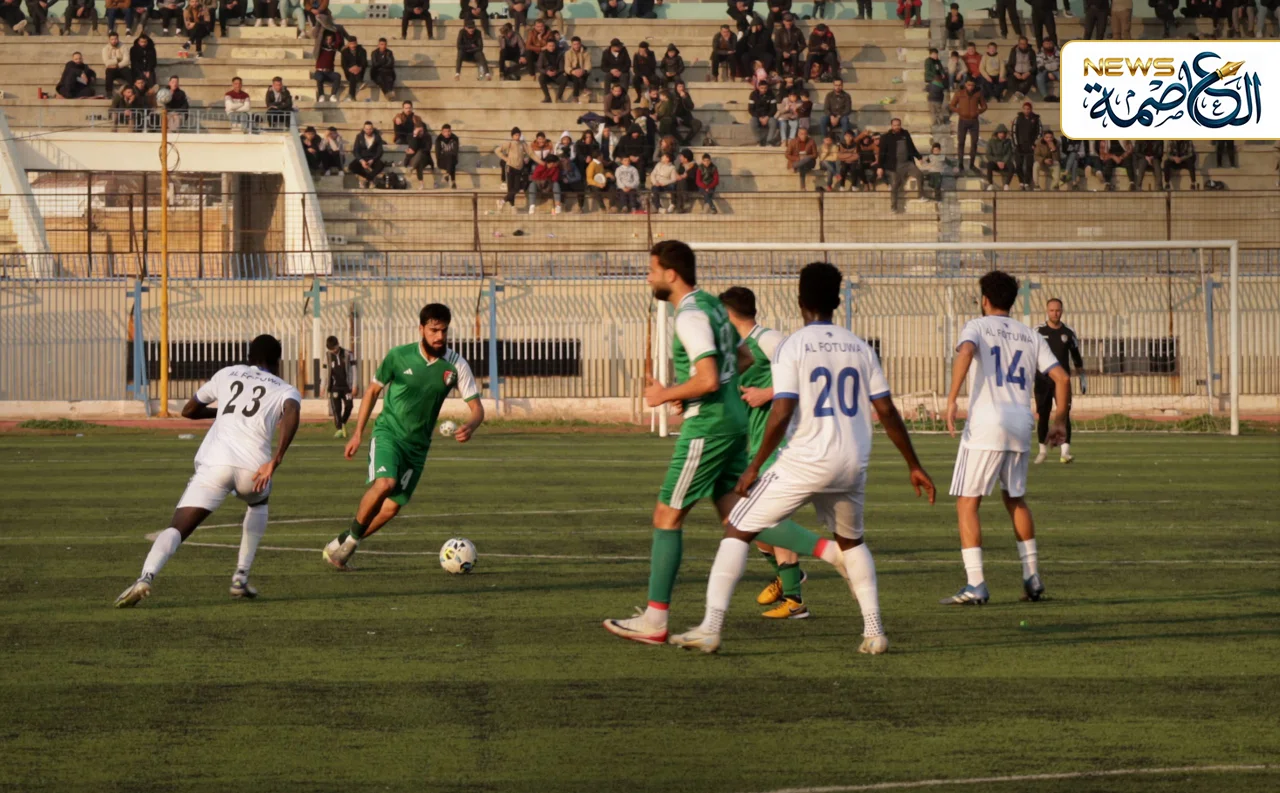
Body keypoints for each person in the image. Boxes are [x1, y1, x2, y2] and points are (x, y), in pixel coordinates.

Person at [667, 262, 936, 654]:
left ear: (799, 300)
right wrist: (913, 464)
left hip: (806, 460)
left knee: (738, 528)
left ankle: (710, 627)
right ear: (837, 301)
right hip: (852, 461)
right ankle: (874, 631)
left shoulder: (793, 345)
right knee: (852, 543)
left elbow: (782, 411)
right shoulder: (860, 347)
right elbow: (887, 411)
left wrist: (754, 466)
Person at [604, 243, 846, 648]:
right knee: (742, 517)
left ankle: (655, 619)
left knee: (666, 515)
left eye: (652, 270)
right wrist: (691, 392)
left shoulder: (690, 315)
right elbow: (743, 359)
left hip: (709, 429)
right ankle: (832, 551)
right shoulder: (715, 308)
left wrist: (667, 394)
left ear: (671, 274)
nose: (648, 277)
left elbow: (709, 378)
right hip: (733, 423)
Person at [114, 335, 301, 607]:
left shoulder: (227, 373)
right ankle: (240, 576)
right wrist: (277, 459)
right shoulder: (285, 388)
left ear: (249, 357)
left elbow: (189, 410)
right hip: (253, 469)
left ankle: (146, 577)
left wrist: (223, 411)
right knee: (259, 504)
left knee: (177, 528)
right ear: (277, 361)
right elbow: (292, 411)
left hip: (215, 464)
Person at [322, 305, 483, 571]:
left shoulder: (456, 365)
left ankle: (340, 543)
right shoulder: (399, 356)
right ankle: (349, 546)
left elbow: (477, 408)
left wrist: (471, 425)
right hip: (388, 432)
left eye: (443, 331)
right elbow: (372, 391)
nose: (439, 337)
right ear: (421, 329)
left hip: (418, 447)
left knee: (391, 507)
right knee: (386, 483)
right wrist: (358, 433)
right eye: (433, 330)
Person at [942, 271, 1068, 606]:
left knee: (968, 502)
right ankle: (1032, 577)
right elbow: (1061, 377)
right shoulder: (1030, 334)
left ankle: (976, 583)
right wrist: (1059, 421)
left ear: (984, 300)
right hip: (1020, 423)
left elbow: (966, 352)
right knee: (1015, 498)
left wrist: (952, 398)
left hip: (986, 423)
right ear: (1012, 301)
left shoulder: (977, 326)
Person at [718, 287, 810, 617]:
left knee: (770, 518)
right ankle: (788, 575)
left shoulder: (768, 339)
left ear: (728, 315)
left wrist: (768, 393)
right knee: (745, 520)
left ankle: (795, 600)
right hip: (748, 446)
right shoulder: (735, 349)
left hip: (777, 445)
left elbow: (807, 374)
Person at [1033, 299, 1084, 465]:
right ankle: (1042, 451)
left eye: (1058, 310)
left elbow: (1076, 356)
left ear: (1062, 311)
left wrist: (1082, 376)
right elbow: (1030, 354)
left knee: (1064, 414)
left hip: (1062, 381)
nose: (1055, 313)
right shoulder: (1038, 331)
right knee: (1043, 414)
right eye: (1052, 310)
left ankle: (1065, 452)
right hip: (1043, 380)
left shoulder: (1068, 332)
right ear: (1047, 311)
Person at [880, 117, 923, 213]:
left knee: (919, 174)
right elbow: (882, 153)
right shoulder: (886, 137)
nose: (896, 127)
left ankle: (921, 195)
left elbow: (911, 147)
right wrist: (880, 167)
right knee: (895, 185)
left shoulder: (905, 134)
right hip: (894, 166)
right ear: (891, 126)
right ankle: (893, 207)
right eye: (895, 125)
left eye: (898, 125)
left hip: (907, 163)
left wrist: (919, 157)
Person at [950, 77, 986, 172]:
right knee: (961, 142)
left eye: (972, 85)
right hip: (963, 120)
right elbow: (952, 105)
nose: (971, 87)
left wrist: (979, 111)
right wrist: (959, 110)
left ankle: (972, 164)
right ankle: (960, 163)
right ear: (965, 85)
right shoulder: (959, 93)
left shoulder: (978, 94)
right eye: (969, 85)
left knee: (974, 142)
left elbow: (984, 106)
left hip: (974, 121)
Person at [325, 336, 355, 438]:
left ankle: (343, 423)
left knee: (349, 405)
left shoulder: (347, 354)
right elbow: (325, 371)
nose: (333, 351)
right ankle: (339, 429)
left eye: (334, 348)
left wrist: (354, 385)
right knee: (336, 409)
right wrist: (323, 386)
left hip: (347, 387)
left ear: (338, 344)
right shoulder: (328, 356)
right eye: (331, 349)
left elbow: (354, 370)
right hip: (334, 387)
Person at [1011, 101, 1041, 190]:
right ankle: (1021, 182)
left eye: (1028, 109)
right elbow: (1013, 132)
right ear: (1022, 109)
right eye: (1025, 109)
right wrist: (1016, 144)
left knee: (1029, 165)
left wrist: (1034, 144)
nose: (1026, 111)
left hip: (1030, 147)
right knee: (1018, 165)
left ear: (1031, 109)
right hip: (1019, 146)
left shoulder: (1036, 119)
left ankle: (1027, 183)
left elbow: (1039, 132)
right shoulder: (1017, 119)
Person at [348, 120, 385, 188]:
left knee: (381, 165)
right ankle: (370, 178)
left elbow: (380, 151)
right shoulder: (359, 136)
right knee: (352, 166)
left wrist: (373, 160)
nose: (368, 131)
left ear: (372, 129)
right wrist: (361, 161)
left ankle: (366, 179)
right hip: (363, 158)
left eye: (370, 129)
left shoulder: (377, 137)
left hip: (373, 159)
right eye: (367, 129)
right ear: (364, 129)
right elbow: (356, 150)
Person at [313, 25, 343, 101]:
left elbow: (339, 42)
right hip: (319, 71)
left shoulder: (333, 49)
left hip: (329, 72)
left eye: (330, 39)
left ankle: (333, 95)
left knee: (337, 76)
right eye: (327, 39)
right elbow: (318, 40)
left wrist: (336, 31)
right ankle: (321, 95)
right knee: (319, 77)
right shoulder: (320, 48)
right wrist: (323, 29)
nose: (328, 41)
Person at [1005, 37, 1036, 101]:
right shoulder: (1014, 51)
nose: (1023, 46)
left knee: (1031, 79)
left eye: (1024, 44)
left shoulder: (1031, 51)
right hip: (1016, 72)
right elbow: (1009, 65)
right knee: (1010, 82)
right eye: (1021, 44)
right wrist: (1015, 73)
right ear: (1018, 44)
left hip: (1027, 72)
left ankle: (1018, 95)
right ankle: (1019, 94)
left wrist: (1028, 73)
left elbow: (1035, 65)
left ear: (1027, 44)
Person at [536, 38, 566, 103]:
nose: (551, 47)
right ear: (546, 46)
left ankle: (559, 97)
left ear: (555, 46)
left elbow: (562, 68)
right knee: (541, 78)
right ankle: (547, 97)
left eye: (553, 46)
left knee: (564, 78)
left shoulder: (559, 54)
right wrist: (546, 72)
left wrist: (556, 72)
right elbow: (539, 67)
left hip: (556, 74)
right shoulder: (543, 54)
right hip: (547, 74)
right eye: (550, 46)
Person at [985, 124, 1015, 190]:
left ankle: (1006, 185)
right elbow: (988, 155)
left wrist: (1004, 161)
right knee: (989, 165)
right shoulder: (991, 141)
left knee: (1011, 166)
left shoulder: (1008, 142)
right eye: (1000, 133)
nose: (1002, 135)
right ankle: (990, 184)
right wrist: (997, 161)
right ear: (997, 133)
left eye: (1003, 133)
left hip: (1005, 162)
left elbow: (1009, 153)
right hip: (995, 162)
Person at [564, 36, 590, 103]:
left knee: (578, 76)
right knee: (576, 76)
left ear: (580, 44)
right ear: (572, 45)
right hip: (572, 73)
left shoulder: (586, 53)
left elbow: (588, 65)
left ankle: (575, 97)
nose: (576, 46)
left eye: (578, 44)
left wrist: (583, 71)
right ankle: (584, 88)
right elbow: (567, 67)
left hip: (583, 72)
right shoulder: (567, 53)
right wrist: (573, 71)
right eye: (574, 44)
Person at [340, 35, 367, 101]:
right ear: (348, 44)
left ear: (356, 43)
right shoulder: (344, 52)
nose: (353, 45)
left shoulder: (362, 51)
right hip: (349, 72)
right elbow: (343, 64)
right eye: (351, 44)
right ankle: (359, 82)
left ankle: (351, 96)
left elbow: (364, 63)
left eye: (354, 43)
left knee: (353, 76)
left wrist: (359, 68)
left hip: (359, 72)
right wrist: (350, 69)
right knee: (352, 75)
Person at [434, 123, 459, 189]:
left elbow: (455, 152)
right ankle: (453, 181)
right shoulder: (438, 140)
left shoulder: (455, 138)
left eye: (449, 131)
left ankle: (448, 175)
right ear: (442, 132)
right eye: (445, 132)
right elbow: (438, 154)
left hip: (452, 159)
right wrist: (446, 155)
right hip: (442, 162)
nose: (447, 133)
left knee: (451, 157)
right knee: (450, 160)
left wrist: (448, 154)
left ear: (451, 131)